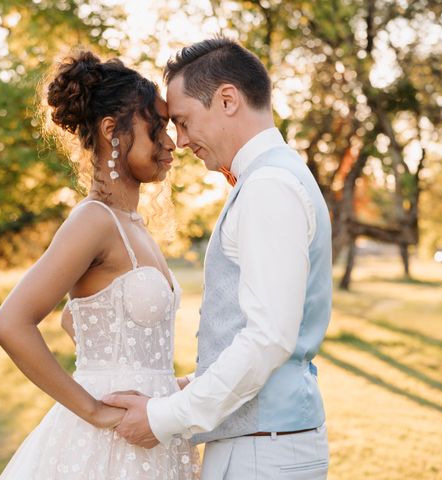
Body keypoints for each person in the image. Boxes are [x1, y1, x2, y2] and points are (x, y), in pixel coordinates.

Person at [103, 37, 332, 479]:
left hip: (263, 454)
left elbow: (268, 338)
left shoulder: (268, 187)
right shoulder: (274, 177)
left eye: (185, 122)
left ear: (227, 99)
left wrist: (162, 419)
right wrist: (186, 387)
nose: (182, 141)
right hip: (260, 445)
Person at [0, 51, 200, 479]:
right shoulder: (93, 220)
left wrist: (162, 385)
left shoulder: (133, 226)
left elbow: (80, 318)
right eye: (156, 127)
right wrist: (95, 410)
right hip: (106, 447)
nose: (171, 143)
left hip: (151, 429)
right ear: (112, 131)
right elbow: (10, 324)